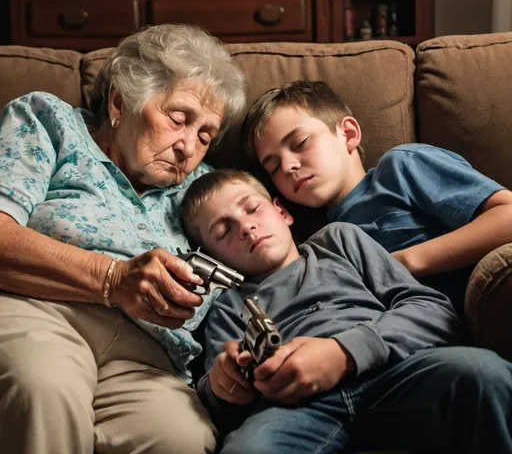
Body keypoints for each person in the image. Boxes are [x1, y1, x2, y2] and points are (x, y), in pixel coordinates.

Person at [0, 23, 246, 454]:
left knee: (183, 437)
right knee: (44, 387)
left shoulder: (205, 189)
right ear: (119, 101)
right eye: (178, 118)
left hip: (147, 355)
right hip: (43, 311)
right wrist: (112, 277)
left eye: (205, 135)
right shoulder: (49, 122)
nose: (188, 146)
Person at [181, 168, 512, 454]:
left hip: (393, 374)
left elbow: (435, 312)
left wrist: (345, 351)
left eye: (252, 208)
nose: (245, 227)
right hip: (295, 410)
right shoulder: (227, 305)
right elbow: (216, 399)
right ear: (217, 258)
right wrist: (225, 385)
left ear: (282, 212)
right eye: (223, 232)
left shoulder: (339, 240)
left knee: (482, 372)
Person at [240, 80, 512, 315]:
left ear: (347, 134)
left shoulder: (401, 168)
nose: (288, 167)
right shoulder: (314, 243)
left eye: (300, 143)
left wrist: (402, 263)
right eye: (273, 166)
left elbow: (507, 215)